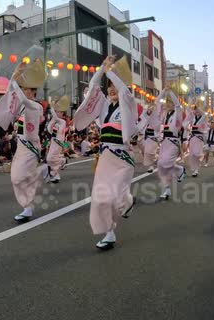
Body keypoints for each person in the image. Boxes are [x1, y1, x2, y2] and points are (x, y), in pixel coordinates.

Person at [73, 55, 137, 250]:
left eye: (114, 84)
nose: (111, 88)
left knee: (117, 197)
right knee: (101, 198)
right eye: (109, 85)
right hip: (105, 158)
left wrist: (111, 71)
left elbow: (124, 90)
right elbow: (93, 87)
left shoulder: (127, 102)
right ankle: (109, 233)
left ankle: (127, 201)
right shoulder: (104, 106)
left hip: (123, 158)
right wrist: (102, 69)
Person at [0, 58, 50, 222]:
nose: (26, 92)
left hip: (32, 147)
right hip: (21, 146)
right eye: (25, 89)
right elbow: (10, 93)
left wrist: (18, 81)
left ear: (34, 93)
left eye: (29, 90)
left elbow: (20, 97)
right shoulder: (22, 106)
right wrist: (16, 73)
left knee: (19, 176)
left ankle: (31, 197)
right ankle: (28, 206)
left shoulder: (36, 106)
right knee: (16, 177)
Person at [155, 87, 185, 200]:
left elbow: (178, 105)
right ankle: (166, 189)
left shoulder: (177, 114)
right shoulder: (164, 115)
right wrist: (163, 92)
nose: (168, 104)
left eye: (170, 103)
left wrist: (171, 93)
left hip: (173, 142)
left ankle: (179, 170)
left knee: (165, 162)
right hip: (165, 142)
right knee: (160, 165)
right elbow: (157, 102)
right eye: (167, 102)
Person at [46, 96, 69, 183]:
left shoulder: (63, 122)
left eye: (60, 112)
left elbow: (55, 117)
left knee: (49, 158)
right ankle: (55, 175)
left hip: (59, 143)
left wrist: (51, 105)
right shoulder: (53, 121)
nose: (58, 113)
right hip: (53, 142)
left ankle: (62, 161)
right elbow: (49, 129)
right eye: (57, 111)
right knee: (50, 160)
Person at [139, 104, 161, 173]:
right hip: (145, 137)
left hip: (153, 138)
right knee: (145, 152)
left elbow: (158, 128)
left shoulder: (157, 119)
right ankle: (153, 162)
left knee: (149, 152)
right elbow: (142, 116)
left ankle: (152, 163)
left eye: (152, 110)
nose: (150, 110)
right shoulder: (145, 117)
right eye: (150, 109)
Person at [187, 106, 207, 177]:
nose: (197, 112)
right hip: (192, 137)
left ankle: (202, 155)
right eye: (196, 111)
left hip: (199, 138)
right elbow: (188, 110)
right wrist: (192, 102)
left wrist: (198, 108)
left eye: (198, 111)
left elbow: (204, 114)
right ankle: (195, 170)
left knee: (197, 154)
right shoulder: (193, 118)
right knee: (192, 155)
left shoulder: (203, 118)